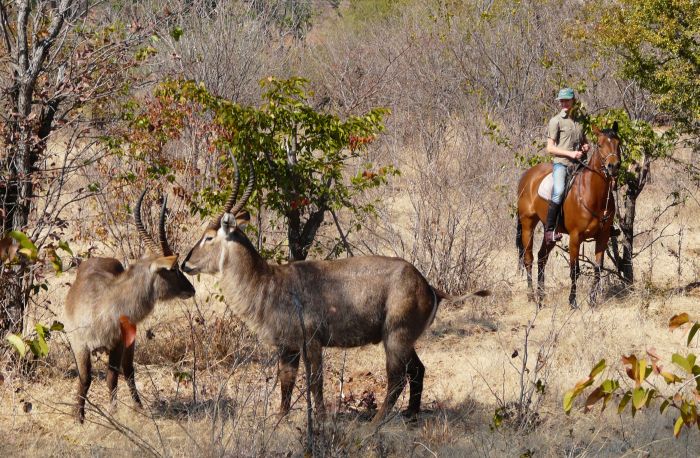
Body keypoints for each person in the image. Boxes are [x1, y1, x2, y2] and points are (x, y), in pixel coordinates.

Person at [544, 87, 590, 247]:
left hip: (580, 164)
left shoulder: (581, 119)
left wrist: (585, 147)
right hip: (562, 164)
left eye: (566, 100)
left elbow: (584, 141)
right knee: (558, 192)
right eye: (561, 100)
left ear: (573, 101)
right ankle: (550, 231)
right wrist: (570, 154)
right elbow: (550, 148)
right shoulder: (555, 121)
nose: (564, 103)